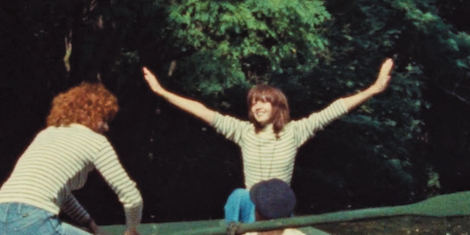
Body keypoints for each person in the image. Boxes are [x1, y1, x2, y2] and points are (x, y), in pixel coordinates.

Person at [142, 58, 393, 222]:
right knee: (240, 195)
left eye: (264, 102)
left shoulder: (295, 131)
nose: (258, 107)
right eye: (253, 102)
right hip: (251, 210)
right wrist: (162, 92)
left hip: (279, 210)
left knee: (271, 205)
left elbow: (335, 109)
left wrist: (373, 89)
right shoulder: (241, 130)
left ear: (277, 107)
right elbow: (202, 111)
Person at [0, 82, 146, 235]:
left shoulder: (46, 134)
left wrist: (93, 227)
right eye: (104, 119)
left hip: (0, 226)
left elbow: (62, 195)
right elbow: (131, 196)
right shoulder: (97, 142)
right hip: (34, 225)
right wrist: (132, 231)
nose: (106, 127)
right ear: (90, 114)